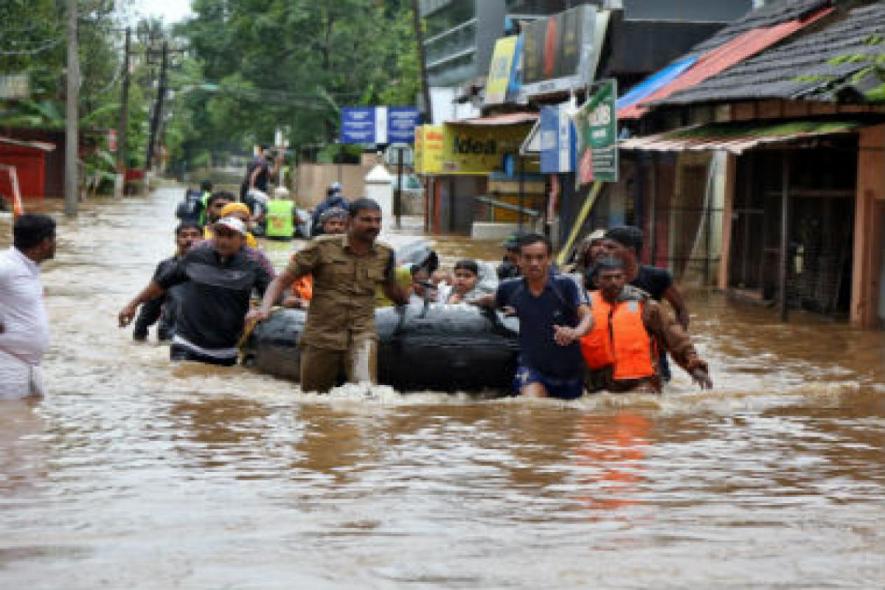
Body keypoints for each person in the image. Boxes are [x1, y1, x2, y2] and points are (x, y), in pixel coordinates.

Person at [247, 198, 409, 393]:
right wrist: (264, 309)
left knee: (366, 393)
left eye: (377, 220)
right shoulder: (321, 247)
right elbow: (281, 281)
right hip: (322, 335)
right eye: (366, 220)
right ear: (350, 221)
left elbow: (390, 288)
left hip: (362, 333)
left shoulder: (385, 254)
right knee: (314, 399)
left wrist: (410, 305)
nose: (373, 226)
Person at [118, 217, 274, 366]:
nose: (223, 240)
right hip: (186, 344)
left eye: (230, 236)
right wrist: (132, 305)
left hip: (226, 351)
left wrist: (262, 309)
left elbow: (274, 291)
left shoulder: (252, 267)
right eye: (219, 234)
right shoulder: (195, 258)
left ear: (242, 240)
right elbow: (160, 284)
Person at [475, 233, 593, 400]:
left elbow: (588, 317)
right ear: (518, 260)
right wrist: (465, 301)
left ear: (549, 259)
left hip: (569, 372)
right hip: (532, 369)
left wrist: (575, 332)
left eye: (540, 257)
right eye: (528, 258)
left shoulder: (567, 284)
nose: (534, 263)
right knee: (532, 410)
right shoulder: (509, 288)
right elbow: (491, 301)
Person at [581, 257, 712, 393]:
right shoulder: (583, 306)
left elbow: (676, 339)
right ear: (596, 281)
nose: (614, 282)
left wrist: (694, 366)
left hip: (640, 383)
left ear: (625, 278)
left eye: (618, 277)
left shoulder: (647, 307)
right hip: (596, 383)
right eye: (607, 278)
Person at [602, 225, 690, 381]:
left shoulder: (657, 277)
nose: (603, 251)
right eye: (602, 246)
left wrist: (671, 341)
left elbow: (681, 310)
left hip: (652, 355)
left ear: (631, 251)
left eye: (610, 247)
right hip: (614, 355)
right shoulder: (599, 279)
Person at [0, 214, 56, 399]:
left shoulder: (28, 268)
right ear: (43, 243)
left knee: (28, 422)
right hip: (7, 364)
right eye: (53, 238)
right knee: (11, 424)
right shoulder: (7, 265)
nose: (56, 243)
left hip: (28, 365)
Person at [132, 222, 203, 342]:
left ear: (203, 239)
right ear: (176, 240)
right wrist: (140, 331)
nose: (189, 239)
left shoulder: (213, 267)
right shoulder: (166, 266)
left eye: (194, 235)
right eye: (184, 236)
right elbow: (152, 302)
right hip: (170, 332)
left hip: (201, 333)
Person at [280, 207, 349, 309]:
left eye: (341, 224)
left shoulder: (353, 254)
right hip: (307, 302)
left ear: (347, 228)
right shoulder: (307, 252)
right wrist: (296, 300)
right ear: (324, 226)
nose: (337, 227)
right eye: (333, 223)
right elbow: (287, 284)